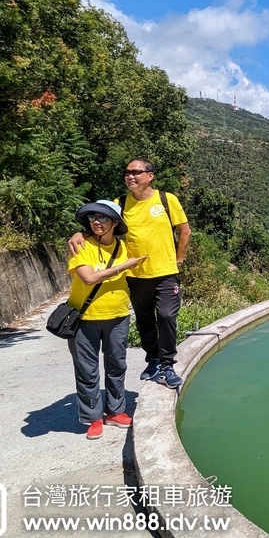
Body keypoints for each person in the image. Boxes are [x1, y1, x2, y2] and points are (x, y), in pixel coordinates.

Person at [69, 159, 191, 389]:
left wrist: (179, 258)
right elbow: (101, 221)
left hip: (165, 273)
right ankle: (153, 361)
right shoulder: (120, 203)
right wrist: (80, 233)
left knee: (165, 316)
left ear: (150, 175)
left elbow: (184, 231)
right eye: (127, 172)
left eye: (136, 172)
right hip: (134, 274)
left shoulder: (166, 200)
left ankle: (167, 364)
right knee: (144, 320)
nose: (130, 176)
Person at [65, 200, 146, 440]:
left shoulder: (124, 247)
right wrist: (124, 267)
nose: (96, 222)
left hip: (118, 316)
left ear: (115, 222)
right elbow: (88, 278)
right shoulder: (82, 246)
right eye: (92, 218)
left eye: (102, 218)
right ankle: (93, 418)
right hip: (85, 318)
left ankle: (116, 411)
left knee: (116, 367)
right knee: (87, 371)